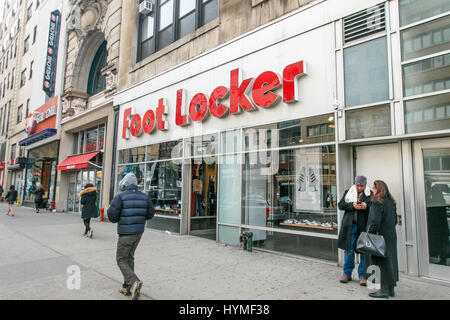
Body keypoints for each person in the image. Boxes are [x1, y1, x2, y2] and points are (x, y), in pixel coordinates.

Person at [108, 173, 154, 300]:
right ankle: (127, 286)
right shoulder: (145, 197)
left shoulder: (120, 197)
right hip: (138, 232)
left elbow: (112, 216)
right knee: (129, 257)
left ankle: (134, 281)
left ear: (124, 184)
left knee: (121, 259)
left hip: (125, 232)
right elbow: (150, 214)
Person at [337, 175, 372, 286]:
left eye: (362, 186)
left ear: (365, 185)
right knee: (349, 249)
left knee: (363, 250)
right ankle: (347, 273)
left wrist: (366, 206)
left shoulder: (370, 194)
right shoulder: (349, 192)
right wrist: (352, 205)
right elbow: (341, 205)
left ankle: (363, 275)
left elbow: (374, 206)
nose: (360, 188)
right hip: (350, 226)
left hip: (363, 226)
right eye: (358, 185)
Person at [367, 180, 398, 299]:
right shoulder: (391, 202)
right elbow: (394, 220)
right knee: (391, 261)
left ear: (378, 189)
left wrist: (370, 234)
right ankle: (390, 289)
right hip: (390, 235)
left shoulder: (377, 203)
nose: (372, 190)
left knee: (382, 262)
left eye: (374, 188)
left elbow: (375, 221)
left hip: (379, 236)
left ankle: (384, 290)